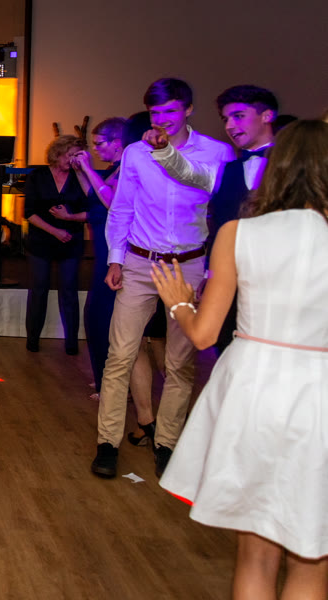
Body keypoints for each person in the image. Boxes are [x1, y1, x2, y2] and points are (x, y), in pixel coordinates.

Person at [151, 119, 328, 599]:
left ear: (278, 167)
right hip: (320, 395)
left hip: (253, 390)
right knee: (312, 558)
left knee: (255, 554)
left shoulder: (237, 233)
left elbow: (204, 335)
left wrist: (179, 303)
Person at [91, 78, 234, 479]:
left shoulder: (216, 152)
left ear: (188, 109)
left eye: (171, 111)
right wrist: (115, 259)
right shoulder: (135, 153)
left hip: (188, 265)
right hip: (140, 263)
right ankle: (107, 444)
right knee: (119, 355)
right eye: (156, 113)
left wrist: (210, 272)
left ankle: (167, 444)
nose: (163, 119)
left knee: (180, 363)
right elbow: (122, 208)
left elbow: (211, 195)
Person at [149, 85, 279, 355]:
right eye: (225, 119)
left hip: (278, 280)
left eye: (238, 116)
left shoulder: (294, 166)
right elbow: (188, 173)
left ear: (266, 116)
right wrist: (210, 274)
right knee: (228, 349)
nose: (230, 126)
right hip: (231, 280)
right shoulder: (225, 170)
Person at [76, 114, 164, 445]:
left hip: (120, 249)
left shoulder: (127, 166)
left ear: (118, 142)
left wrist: (88, 169)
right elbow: (94, 196)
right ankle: (106, 381)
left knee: (103, 318)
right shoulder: (115, 169)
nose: (97, 148)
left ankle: (113, 385)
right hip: (105, 245)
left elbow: (112, 202)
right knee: (98, 318)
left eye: (101, 143)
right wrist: (82, 171)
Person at [23, 135, 89, 354]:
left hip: (71, 242)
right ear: (57, 154)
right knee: (38, 290)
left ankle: (71, 343)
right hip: (41, 242)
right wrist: (55, 231)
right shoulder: (38, 176)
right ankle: (32, 340)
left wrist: (69, 219)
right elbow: (29, 212)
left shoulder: (82, 178)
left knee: (69, 291)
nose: (72, 160)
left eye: (77, 156)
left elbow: (92, 212)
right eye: (69, 155)